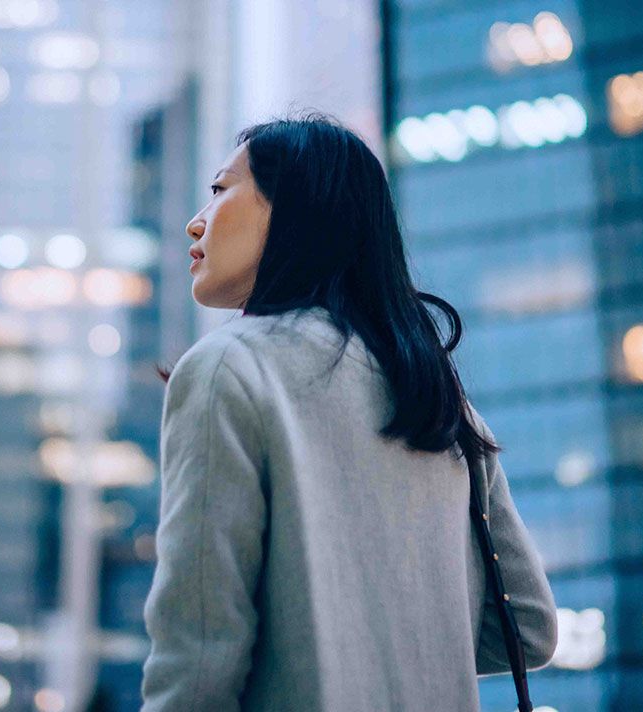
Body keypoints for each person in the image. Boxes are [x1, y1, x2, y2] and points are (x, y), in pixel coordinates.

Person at [139, 112, 558, 712]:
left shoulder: (228, 367)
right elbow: (528, 630)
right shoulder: (434, 395)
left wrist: (325, 647)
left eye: (221, 188)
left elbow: (199, 657)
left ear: (294, 209)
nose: (195, 220)